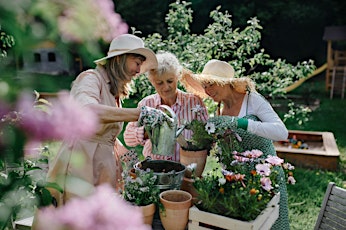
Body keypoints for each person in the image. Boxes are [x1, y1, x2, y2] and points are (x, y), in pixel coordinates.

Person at [46, 34, 169, 206]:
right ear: (120, 59)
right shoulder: (90, 78)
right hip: (83, 164)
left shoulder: (113, 91)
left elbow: (105, 134)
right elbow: (87, 110)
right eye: (137, 62)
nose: (139, 70)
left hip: (102, 167)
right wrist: (139, 113)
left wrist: (131, 159)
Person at [181, 59, 290, 229]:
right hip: (238, 179)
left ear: (226, 83)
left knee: (270, 224)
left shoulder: (252, 100)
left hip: (264, 176)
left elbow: (281, 132)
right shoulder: (219, 109)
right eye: (205, 86)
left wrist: (241, 123)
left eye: (211, 84)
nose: (207, 91)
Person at [124, 52, 208, 162]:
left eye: (170, 81)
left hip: (186, 167)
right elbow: (127, 138)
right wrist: (147, 132)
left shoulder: (194, 102)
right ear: (152, 82)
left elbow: (208, 136)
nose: (166, 87)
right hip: (155, 168)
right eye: (159, 83)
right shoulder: (147, 104)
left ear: (177, 77)